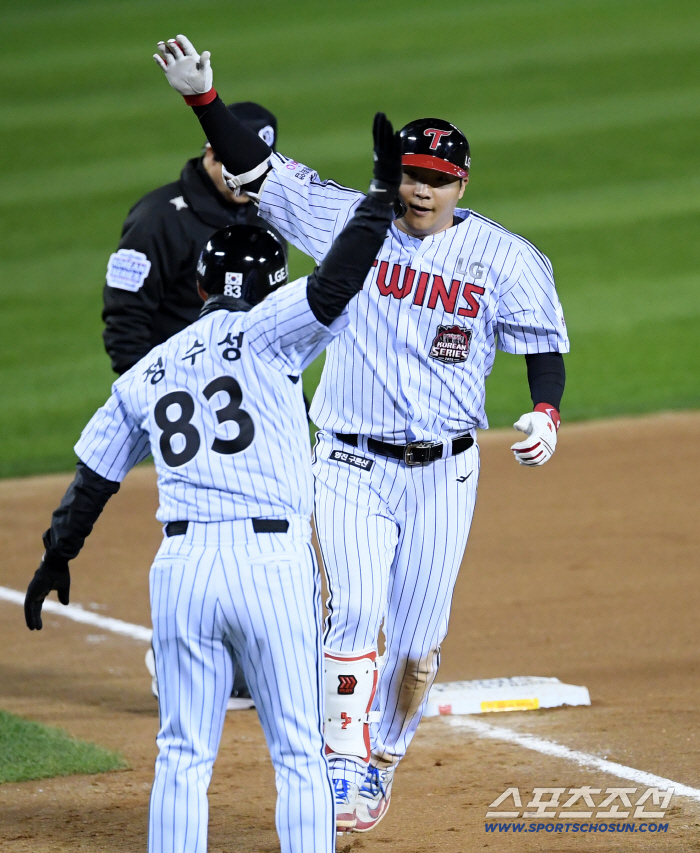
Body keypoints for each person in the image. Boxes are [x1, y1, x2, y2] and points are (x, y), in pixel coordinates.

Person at [153, 35, 569, 834]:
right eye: (412, 174)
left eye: (437, 180)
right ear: (397, 173)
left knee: (418, 645)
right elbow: (257, 170)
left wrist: (545, 410)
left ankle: (382, 758)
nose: (422, 190)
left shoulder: (505, 259)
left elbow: (541, 344)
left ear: (462, 184)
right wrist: (204, 100)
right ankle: (342, 762)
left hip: (445, 472)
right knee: (353, 609)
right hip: (348, 459)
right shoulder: (351, 219)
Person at [23, 110, 403, 853]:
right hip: (271, 566)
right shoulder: (273, 329)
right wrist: (382, 194)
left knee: (182, 754)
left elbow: (95, 476)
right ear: (272, 285)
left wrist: (56, 554)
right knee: (299, 749)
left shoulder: (149, 370)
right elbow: (341, 276)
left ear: (200, 286)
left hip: (183, 569)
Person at [102, 100, 284, 376]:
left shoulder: (268, 212)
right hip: (177, 381)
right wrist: (149, 390)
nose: (250, 177)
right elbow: (125, 318)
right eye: (240, 164)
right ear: (211, 153)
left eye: (259, 166)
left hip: (248, 380)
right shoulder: (157, 217)